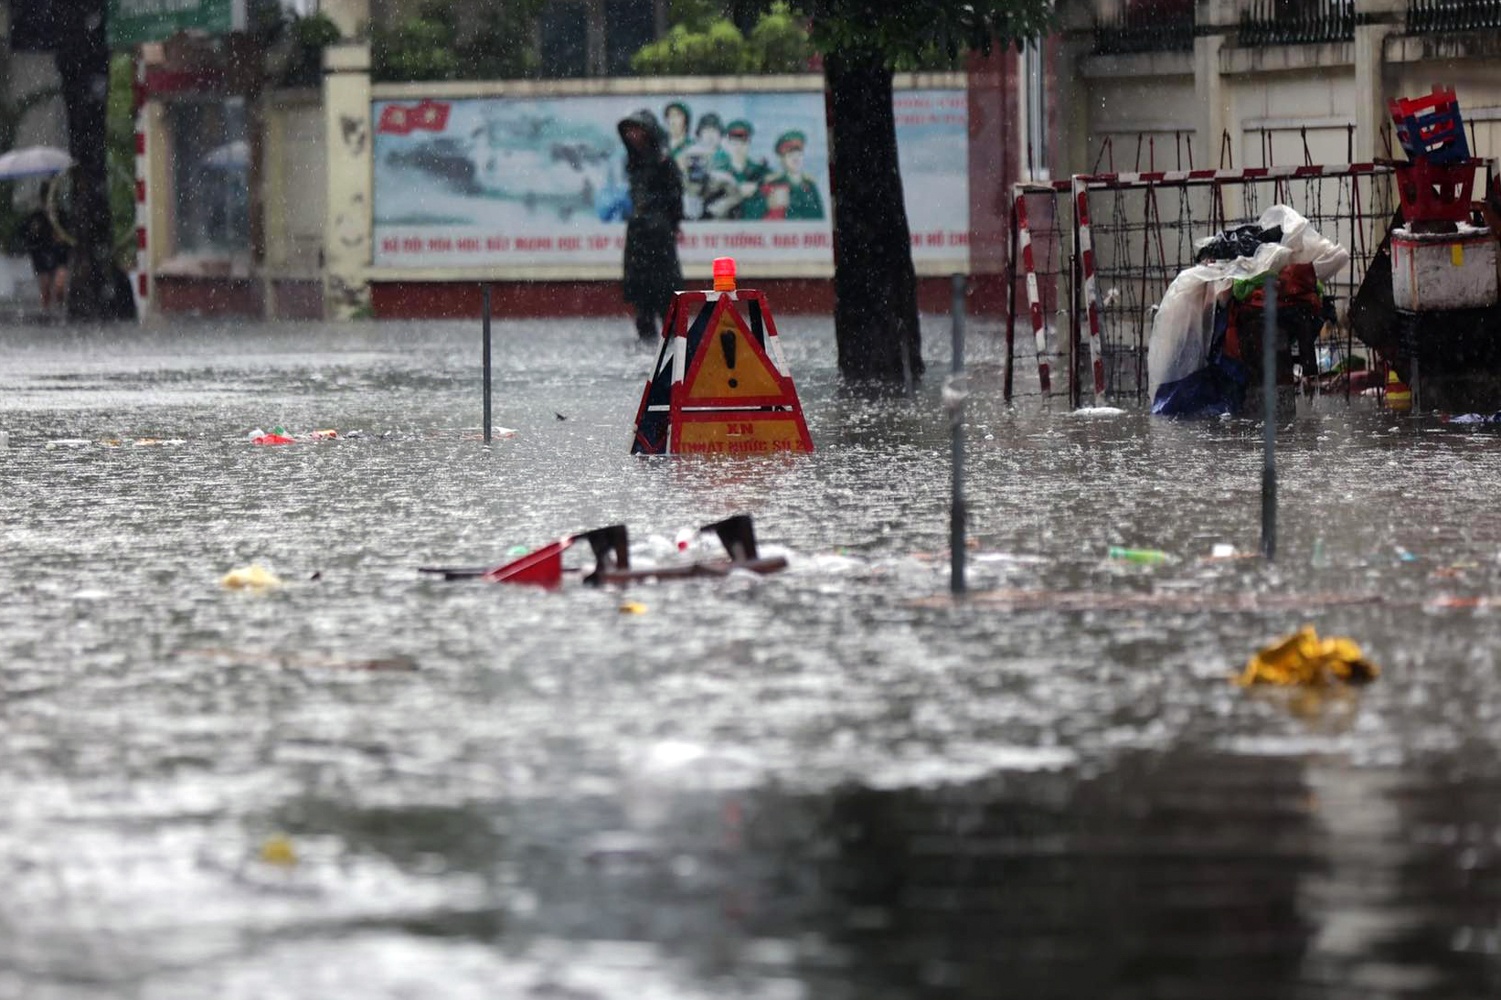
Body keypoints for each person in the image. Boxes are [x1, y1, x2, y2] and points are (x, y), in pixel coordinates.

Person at [617, 109, 684, 341]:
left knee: (666, 294)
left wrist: (663, 219)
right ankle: (647, 339)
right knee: (641, 298)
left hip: (659, 235)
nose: (633, 136)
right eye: (629, 131)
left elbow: (675, 198)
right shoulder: (633, 164)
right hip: (638, 237)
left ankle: (673, 344)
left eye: (638, 130)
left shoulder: (664, 162)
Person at [744, 130, 825, 221]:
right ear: (781, 159)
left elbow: (820, 217)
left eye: (799, 154)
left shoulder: (810, 186)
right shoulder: (772, 184)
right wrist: (767, 204)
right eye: (790, 154)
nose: (796, 158)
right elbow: (751, 215)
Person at [20, 177, 70, 317]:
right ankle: (47, 312)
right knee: (46, 285)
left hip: (59, 254)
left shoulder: (61, 215)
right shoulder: (36, 217)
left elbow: (70, 234)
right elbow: (26, 236)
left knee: (60, 284)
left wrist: (62, 238)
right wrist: (33, 233)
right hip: (41, 255)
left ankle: (60, 309)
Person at [705, 119, 770, 220]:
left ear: (749, 143)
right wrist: (738, 193)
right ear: (726, 143)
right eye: (734, 142)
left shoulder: (761, 171)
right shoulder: (717, 173)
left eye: (743, 141)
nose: (738, 147)